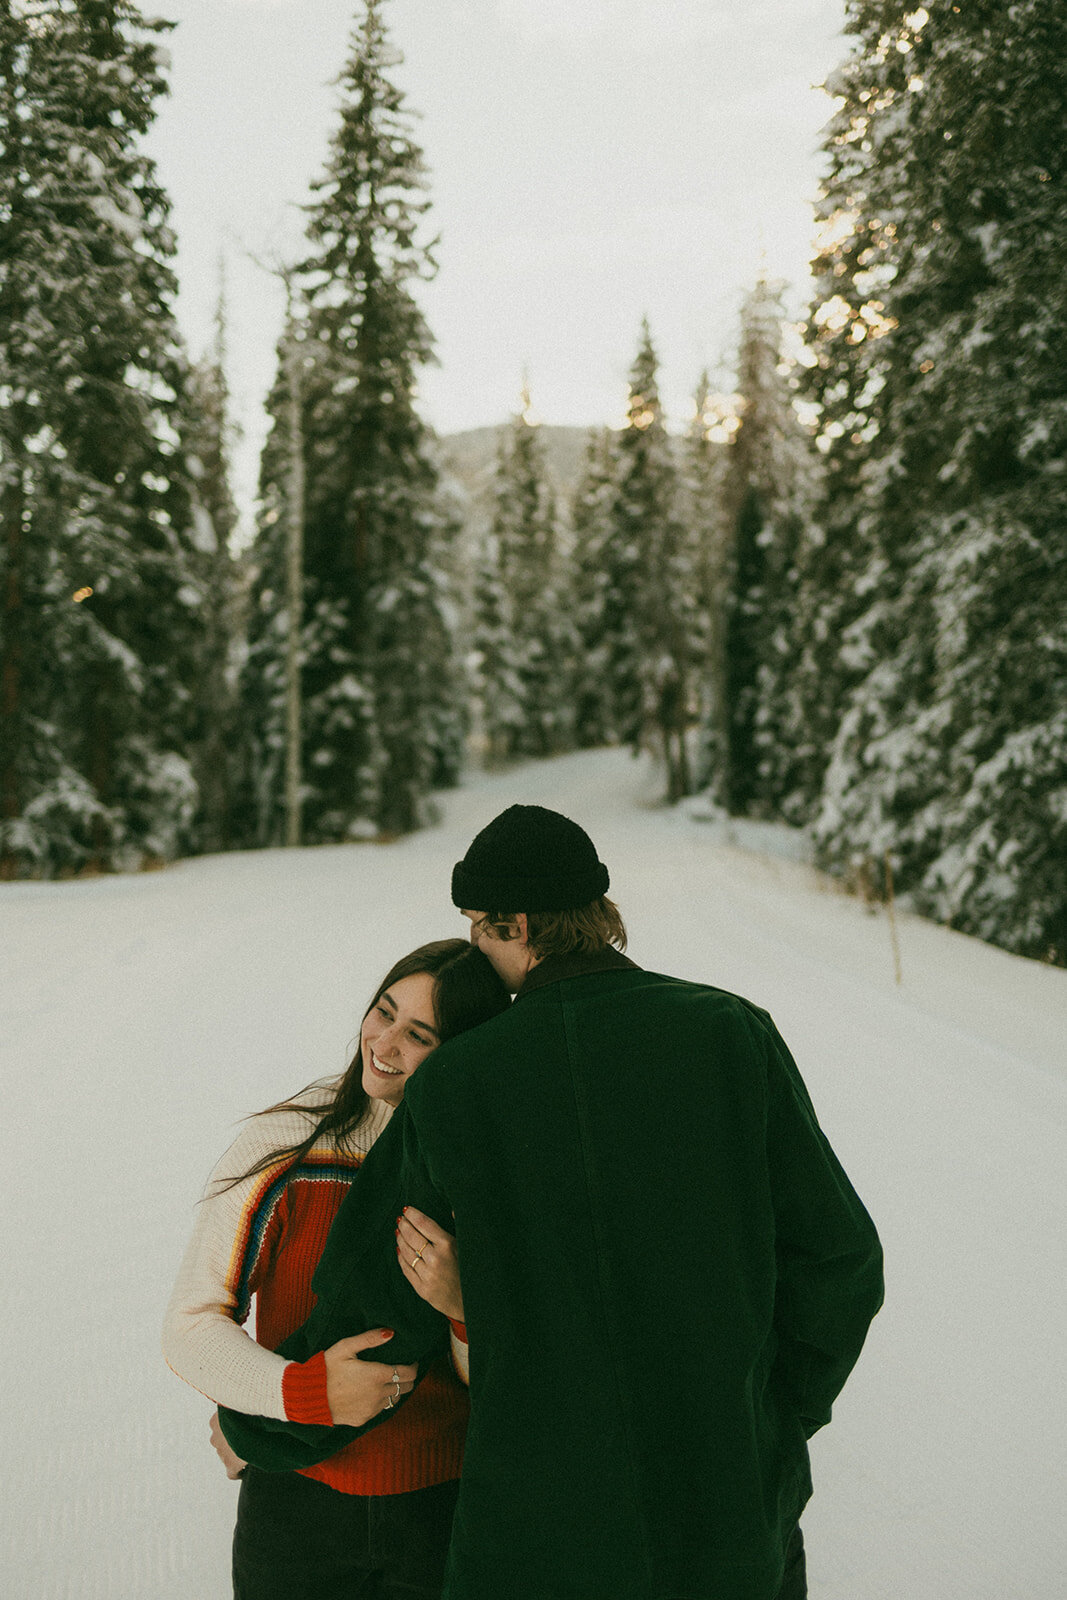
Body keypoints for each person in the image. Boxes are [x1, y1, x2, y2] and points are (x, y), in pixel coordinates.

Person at [218, 806, 885, 1600]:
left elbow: (377, 1307)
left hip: (536, 1529)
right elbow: (841, 1262)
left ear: (517, 923)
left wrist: (252, 1426)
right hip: (728, 1513)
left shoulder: (458, 1084)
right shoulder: (731, 1035)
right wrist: (770, 1426)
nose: (472, 947)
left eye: (477, 926)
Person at [163, 938, 510, 1600]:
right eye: (384, 1011)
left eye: (421, 1035)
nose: (385, 1042)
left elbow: (505, 1376)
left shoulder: (480, 1171)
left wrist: (464, 1306)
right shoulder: (291, 1145)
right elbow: (190, 1322)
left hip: (440, 1504)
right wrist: (292, 1397)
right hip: (295, 1508)